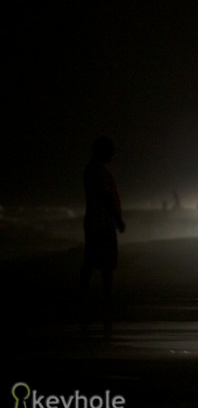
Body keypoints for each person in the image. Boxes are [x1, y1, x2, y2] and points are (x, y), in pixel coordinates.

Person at [79, 136, 125, 337]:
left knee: (92, 263)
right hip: (101, 224)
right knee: (102, 265)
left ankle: (88, 304)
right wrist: (118, 218)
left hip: (96, 223)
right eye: (110, 150)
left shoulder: (94, 171)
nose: (113, 154)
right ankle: (100, 304)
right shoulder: (96, 172)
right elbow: (105, 196)